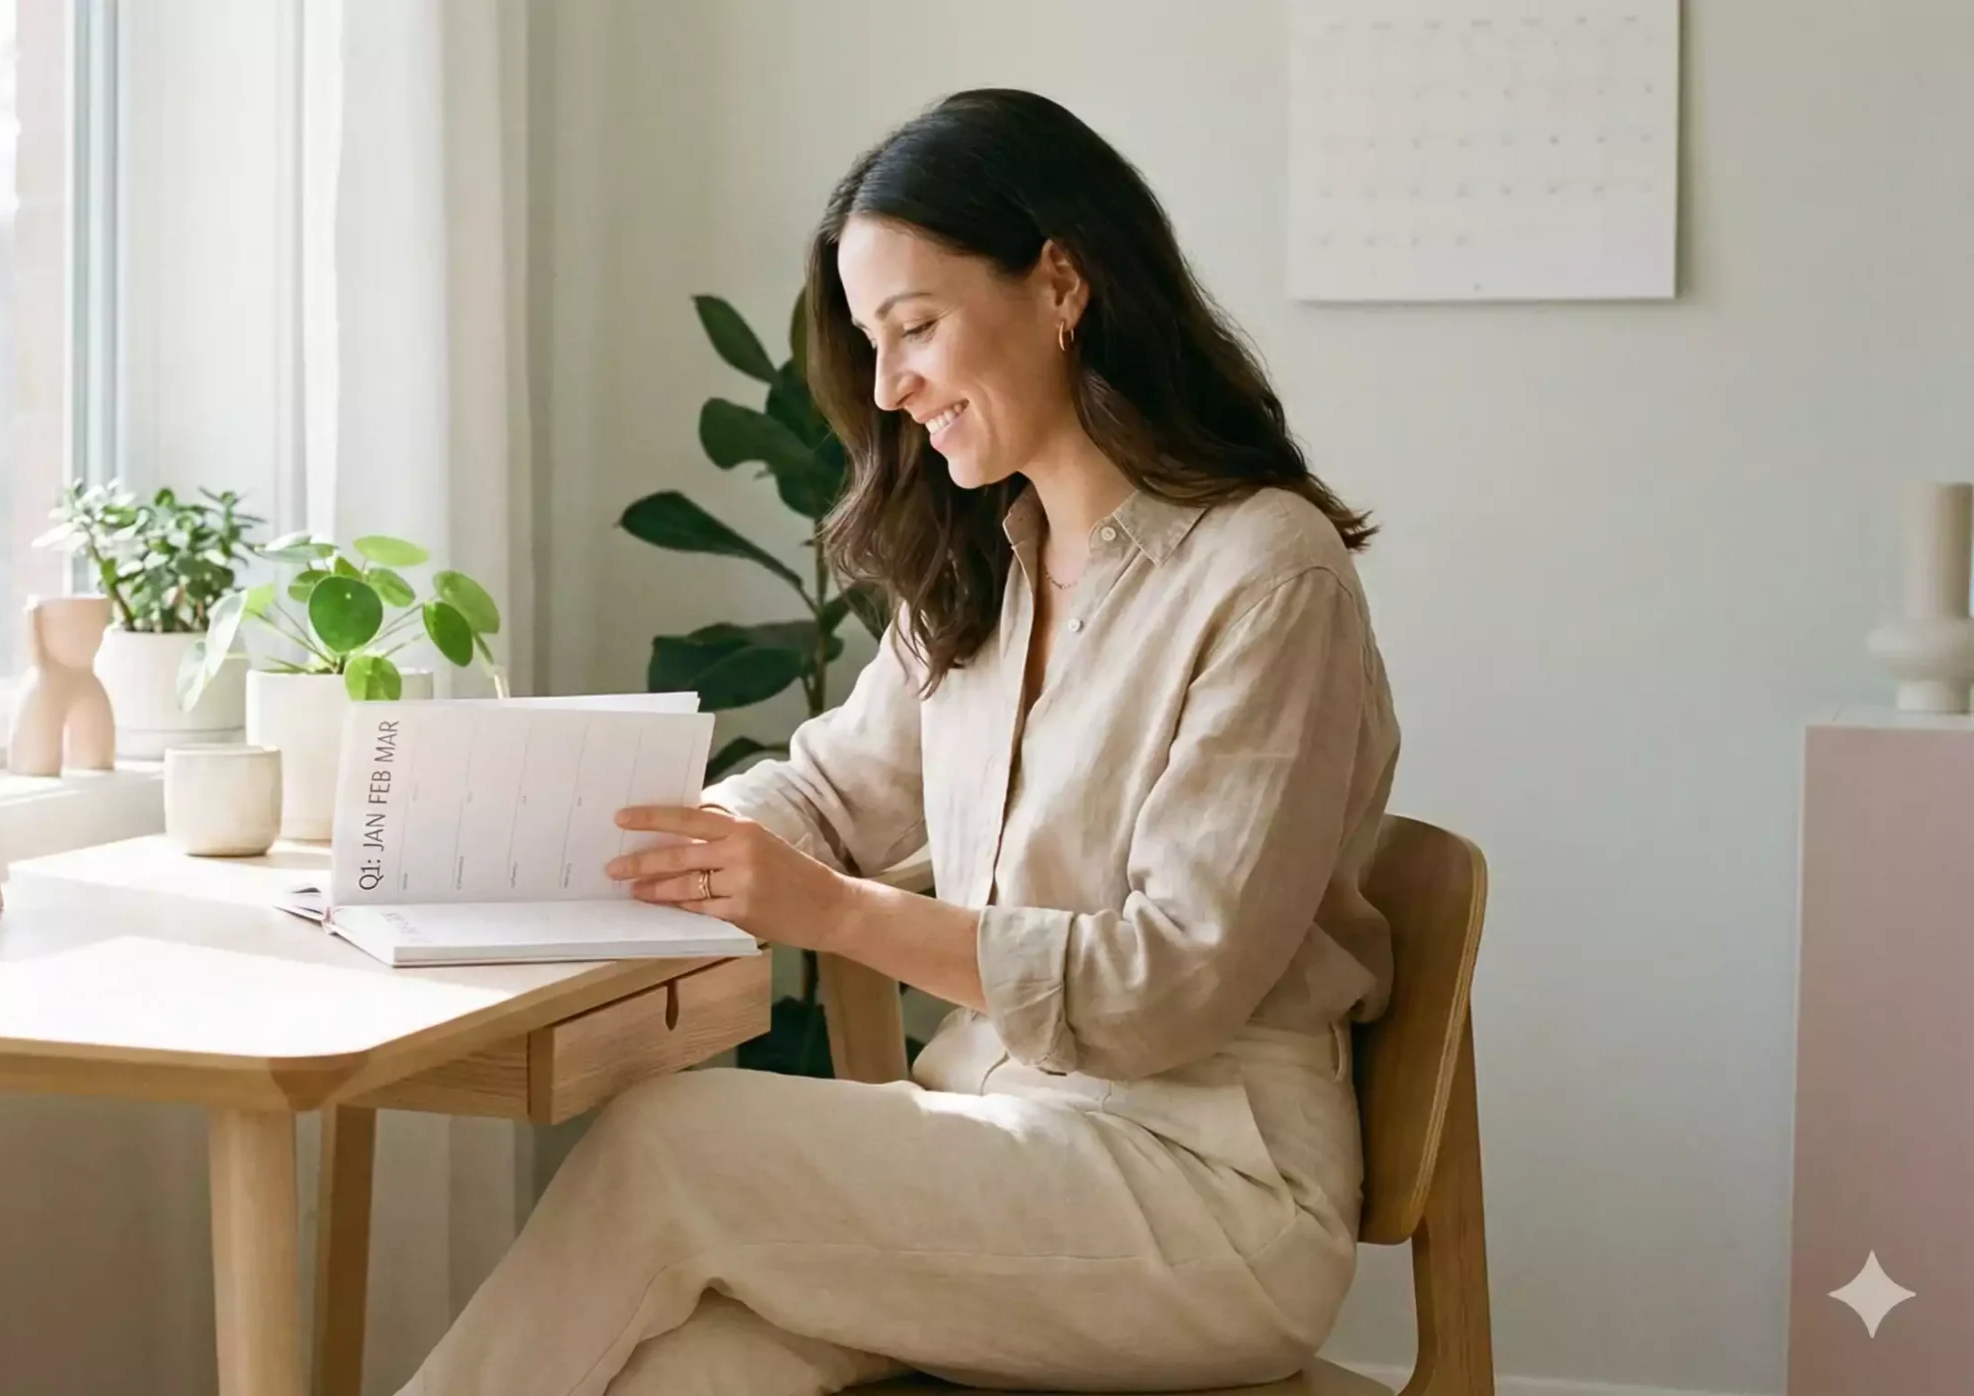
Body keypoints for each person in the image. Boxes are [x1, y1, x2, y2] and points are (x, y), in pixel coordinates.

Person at [400, 87, 1399, 1396]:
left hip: (1210, 1199)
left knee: (668, 1143)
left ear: (1060, 282)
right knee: (689, 1373)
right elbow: (825, 795)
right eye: (873, 342)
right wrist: (610, 848)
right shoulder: (987, 569)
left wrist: (839, 916)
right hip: (1001, 1153)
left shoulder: (1268, 576)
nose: (887, 386)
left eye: (916, 327)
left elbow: (1171, 983)